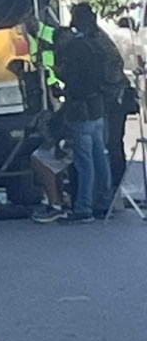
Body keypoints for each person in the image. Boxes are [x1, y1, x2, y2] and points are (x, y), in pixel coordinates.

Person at [53, 25, 112, 222]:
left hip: (81, 112)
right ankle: (104, 202)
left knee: (84, 162)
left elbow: (73, 81)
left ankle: (84, 208)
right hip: (98, 108)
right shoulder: (93, 45)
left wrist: (60, 79)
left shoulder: (73, 52)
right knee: (100, 158)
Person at [71, 2, 131, 191]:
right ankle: (110, 190)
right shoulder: (95, 39)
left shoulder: (95, 42)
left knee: (109, 146)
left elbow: (110, 73)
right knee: (105, 147)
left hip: (112, 100)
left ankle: (113, 188)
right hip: (108, 99)